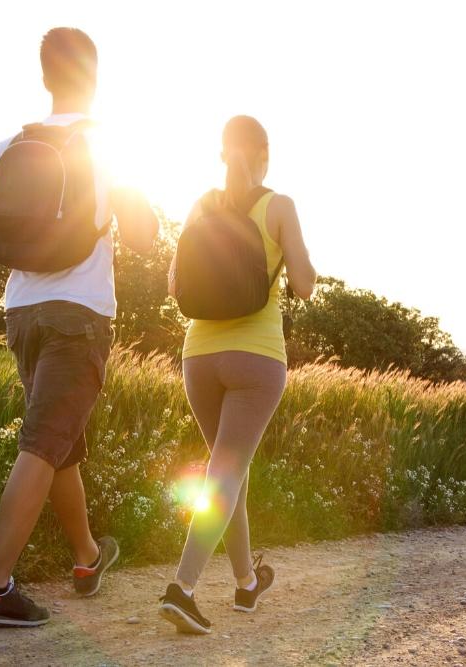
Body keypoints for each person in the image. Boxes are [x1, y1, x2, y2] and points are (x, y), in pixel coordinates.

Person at [0, 27, 159, 627]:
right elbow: (146, 238)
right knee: (44, 444)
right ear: (94, 81)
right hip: (80, 314)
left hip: (21, 310)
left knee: (60, 446)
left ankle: (87, 557)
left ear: (46, 79)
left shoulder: (7, 146)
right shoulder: (107, 149)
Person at [160, 116, 317, 634]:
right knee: (225, 474)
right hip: (256, 358)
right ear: (265, 156)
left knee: (231, 474)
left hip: (198, 356)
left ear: (223, 154)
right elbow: (305, 285)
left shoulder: (201, 205)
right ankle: (181, 589)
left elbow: (174, 282)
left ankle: (247, 582)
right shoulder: (280, 206)